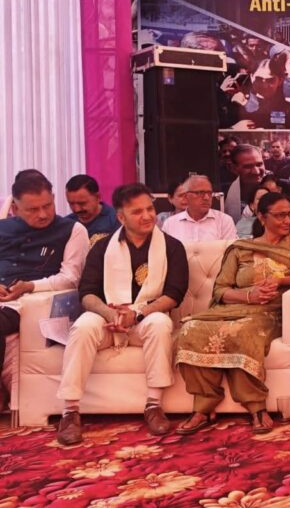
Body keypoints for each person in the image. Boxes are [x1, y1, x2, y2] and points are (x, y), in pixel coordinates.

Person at [56, 184, 189, 445]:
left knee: (160, 323)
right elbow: (87, 293)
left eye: (150, 209)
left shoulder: (172, 247)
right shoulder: (102, 247)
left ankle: (154, 406)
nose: (147, 216)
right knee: (83, 327)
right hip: (108, 319)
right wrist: (109, 314)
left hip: (144, 320)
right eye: (137, 212)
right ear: (120, 217)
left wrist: (136, 314)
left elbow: (174, 295)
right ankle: (70, 412)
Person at [175, 192, 290, 436]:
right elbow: (220, 290)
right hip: (234, 308)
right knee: (190, 329)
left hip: (270, 311)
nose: (287, 220)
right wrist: (249, 295)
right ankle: (203, 406)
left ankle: (256, 407)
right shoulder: (241, 249)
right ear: (262, 217)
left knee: (242, 331)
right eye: (280, 216)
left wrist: (281, 280)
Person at [0, 171, 88, 411]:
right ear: (15, 209)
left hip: (29, 303)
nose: (43, 214)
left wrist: (30, 286)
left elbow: (70, 279)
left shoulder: (73, 230)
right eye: (32, 209)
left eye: (47, 206)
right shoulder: (2, 228)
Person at [162, 175, 238, 243]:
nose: (206, 198)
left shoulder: (224, 221)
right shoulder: (170, 224)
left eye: (209, 193)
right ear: (186, 196)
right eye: (200, 193)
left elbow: (231, 252)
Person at [65, 174, 119, 240]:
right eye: (71, 204)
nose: (77, 209)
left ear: (98, 197)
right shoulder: (66, 225)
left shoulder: (117, 220)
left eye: (82, 203)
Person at [224, 145, 267, 221]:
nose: (256, 171)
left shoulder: (281, 187)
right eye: (248, 166)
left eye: (259, 164)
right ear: (233, 168)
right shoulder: (223, 194)